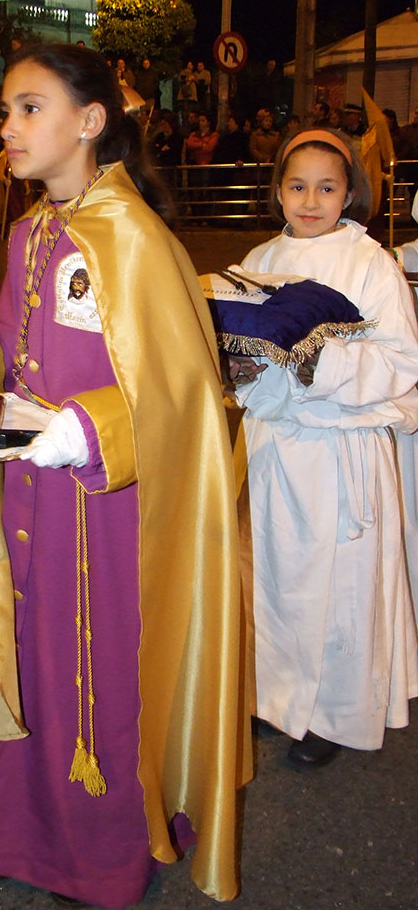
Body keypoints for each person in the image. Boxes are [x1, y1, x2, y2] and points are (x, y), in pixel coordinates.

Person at [0, 43, 249, 908]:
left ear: (89, 123)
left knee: (98, 670)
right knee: (30, 653)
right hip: (32, 490)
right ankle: (17, 825)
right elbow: (14, 348)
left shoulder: (131, 237)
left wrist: (88, 428)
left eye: (27, 109)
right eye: (5, 110)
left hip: (108, 503)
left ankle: (97, 851)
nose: (5, 127)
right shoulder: (29, 232)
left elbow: (181, 391)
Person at [227, 128, 418, 768]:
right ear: (278, 190)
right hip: (277, 448)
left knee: (339, 588)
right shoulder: (257, 258)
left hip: (341, 452)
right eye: (298, 185)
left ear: (350, 193)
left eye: (327, 187)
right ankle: (276, 697)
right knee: (275, 580)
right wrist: (242, 368)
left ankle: (336, 712)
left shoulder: (372, 264)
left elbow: (401, 360)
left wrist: (318, 361)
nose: (311, 201)